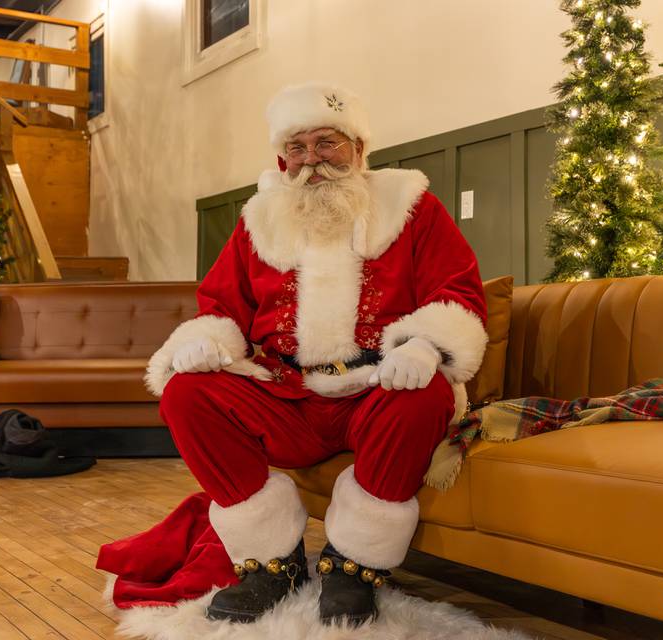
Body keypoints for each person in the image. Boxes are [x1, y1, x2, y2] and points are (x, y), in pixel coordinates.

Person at [144, 82, 487, 626]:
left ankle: (356, 564)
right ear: (283, 158)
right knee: (185, 393)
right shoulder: (258, 220)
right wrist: (205, 342)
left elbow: (457, 289)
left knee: (425, 393)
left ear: (358, 147)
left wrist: (425, 344)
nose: (312, 160)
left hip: (376, 390)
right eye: (297, 148)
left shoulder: (411, 206)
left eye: (326, 143)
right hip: (288, 396)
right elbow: (221, 304)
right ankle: (271, 563)